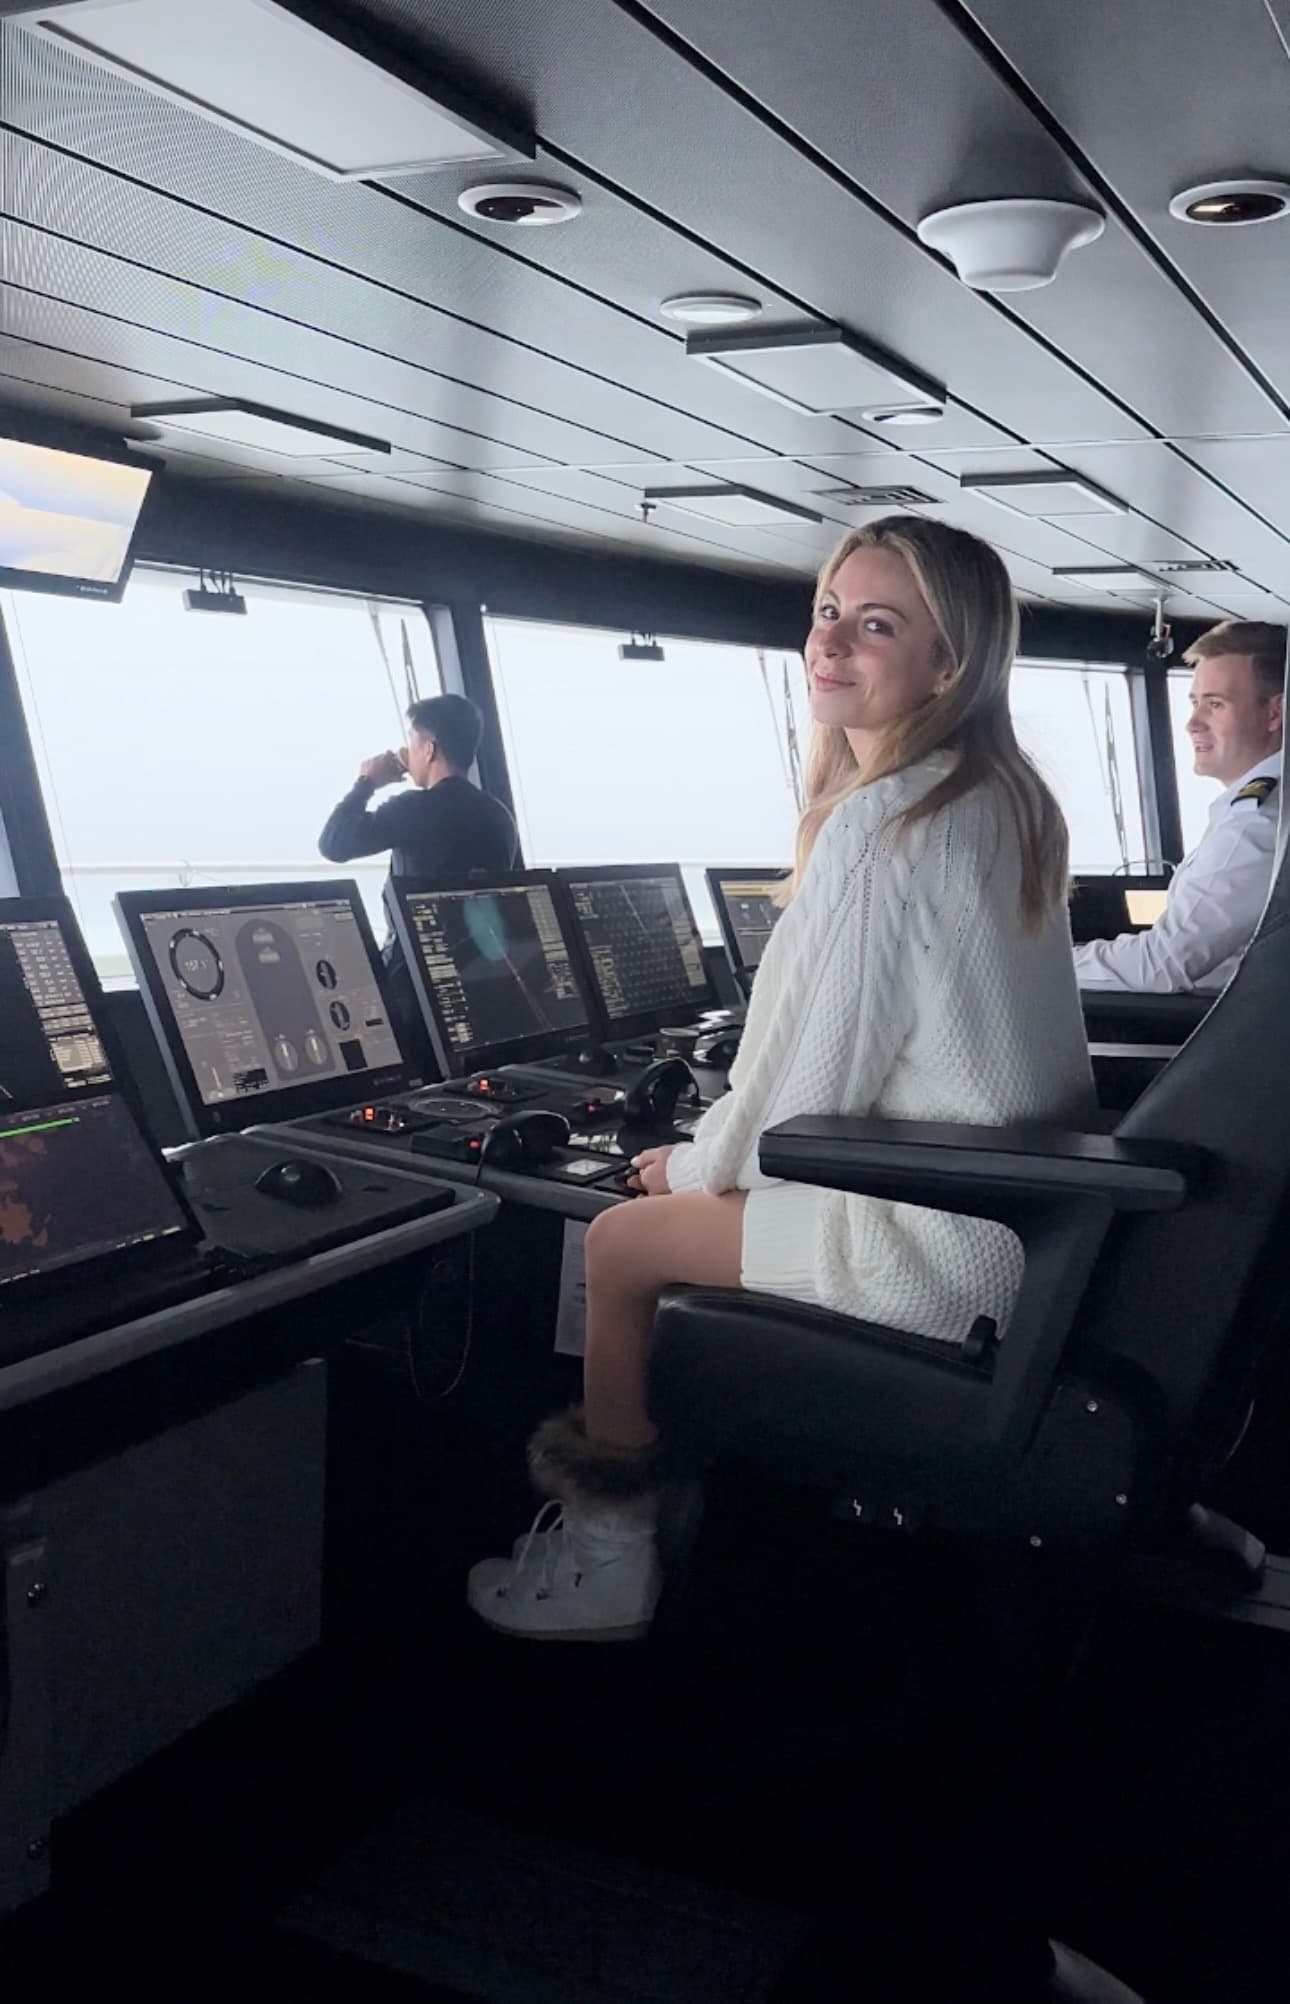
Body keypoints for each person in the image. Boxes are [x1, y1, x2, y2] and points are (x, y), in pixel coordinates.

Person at [467, 516, 1096, 1643]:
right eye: (826, 613)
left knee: (619, 1243)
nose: (831, 643)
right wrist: (715, 1158)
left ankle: (611, 1556)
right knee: (669, 1209)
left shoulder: (879, 826)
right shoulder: (1000, 799)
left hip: (922, 1244)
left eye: (876, 625)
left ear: (949, 664)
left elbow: (804, 1098)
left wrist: (689, 1165)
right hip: (1014, 1223)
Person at [1074, 621, 1285, 994]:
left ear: (1274, 713)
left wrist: (1048, 965)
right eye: (1194, 703)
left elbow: (1163, 964)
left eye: (1215, 704)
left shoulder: (1258, 824)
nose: (1192, 723)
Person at [318, 694, 517, 1053]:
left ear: (429, 749)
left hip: (414, 991)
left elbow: (334, 844)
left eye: (411, 742)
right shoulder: (499, 816)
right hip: (479, 983)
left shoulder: (414, 808)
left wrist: (367, 781)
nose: (406, 754)